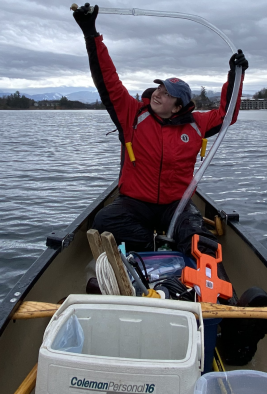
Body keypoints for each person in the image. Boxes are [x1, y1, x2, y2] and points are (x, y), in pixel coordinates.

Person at [72, 3, 248, 260]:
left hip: (176, 205)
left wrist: (235, 75)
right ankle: (153, 248)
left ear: (178, 106)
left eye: (167, 95)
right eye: (159, 89)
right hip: (135, 202)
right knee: (104, 220)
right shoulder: (132, 115)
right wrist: (91, 34)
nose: (158, 94)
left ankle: (208, 286)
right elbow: (107, 79)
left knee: (201, 240)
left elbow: (227, 114)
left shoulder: (196, 125)